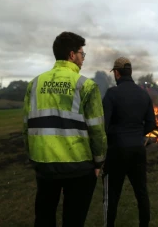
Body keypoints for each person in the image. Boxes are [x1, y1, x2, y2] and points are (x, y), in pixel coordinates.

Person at [22, 31, 107, 227]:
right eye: (82, 54)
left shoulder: (34, 84)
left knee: (44, 217)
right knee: (74, 220)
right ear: (72, 55)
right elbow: (96, 130)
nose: (83, 59)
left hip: (44, 164)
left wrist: (32, 156)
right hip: (78, 166)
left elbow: (26, 126)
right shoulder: (85, 85)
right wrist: (98, 162)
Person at [102, 57, 156, 227]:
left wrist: (114, 136)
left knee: (112, 194)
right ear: (130, 73)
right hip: (138, 150)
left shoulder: (112, 94)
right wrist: (137, 134)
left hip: (117, 151)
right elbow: (151, 124)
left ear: (117, 73)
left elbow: (104, 124)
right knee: (141, 192)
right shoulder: (143, 94)